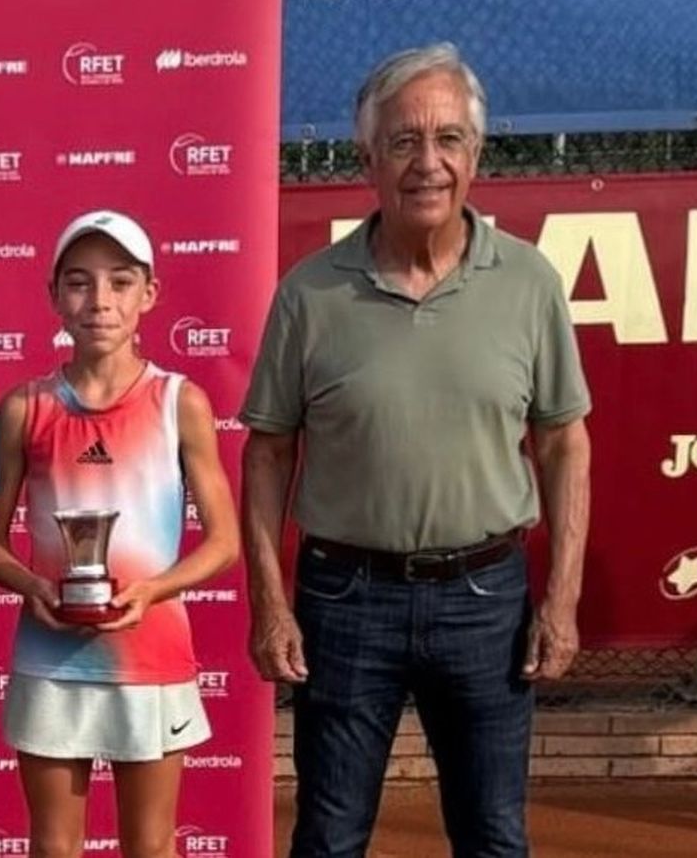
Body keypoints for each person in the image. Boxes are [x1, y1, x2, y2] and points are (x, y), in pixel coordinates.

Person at [241, 42, 592, 858]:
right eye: (403, 141)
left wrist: (562, 598)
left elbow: (563, 444)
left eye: (447, 139)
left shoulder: (530, 282)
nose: (427, 163)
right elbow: (266, 452)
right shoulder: (309, 293)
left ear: (477, 153)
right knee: (329, 837)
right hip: (344, 599)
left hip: (486, 599)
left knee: (494, 836)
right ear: (367, 159)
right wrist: (269, 601)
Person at [0, 210, 239, 858]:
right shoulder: (24, 407)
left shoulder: (180, 402)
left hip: (152, 657)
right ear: (54, 295)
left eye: (120, 282)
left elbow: (223, 541)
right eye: (79, 282)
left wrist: (151, 590)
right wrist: (35, 587)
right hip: (50, 657)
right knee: (53, 846)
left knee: (150, 846)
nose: (99, 300)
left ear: (148, 294)